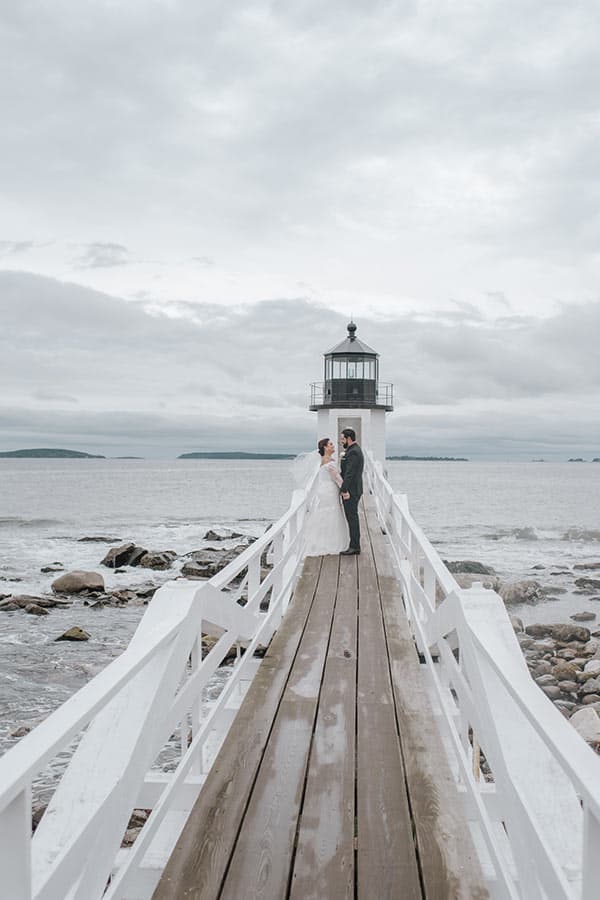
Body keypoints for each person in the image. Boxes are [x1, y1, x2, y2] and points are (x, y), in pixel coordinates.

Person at [303, 438, 350, 557]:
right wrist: (345, 491)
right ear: (325, 447)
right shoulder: (329, 462)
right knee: (332, 513)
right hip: (329, 490)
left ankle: (322, 540)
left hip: (323, 489)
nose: (333, 446)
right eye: (330, 444)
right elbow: (337, 478)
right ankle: (330, 543)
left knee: (325, 513)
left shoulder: (324, 460)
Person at [339, 428, 364, 555]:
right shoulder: (353, 450)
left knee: (352, 518)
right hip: (354, 489)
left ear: (349, 438)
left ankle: (355, 546)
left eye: (342, 438)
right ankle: (354, 544)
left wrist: (344, 489)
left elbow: (350, 473)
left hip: (352, 491)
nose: (341, 441)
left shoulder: (353, 452)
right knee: (352, 517)